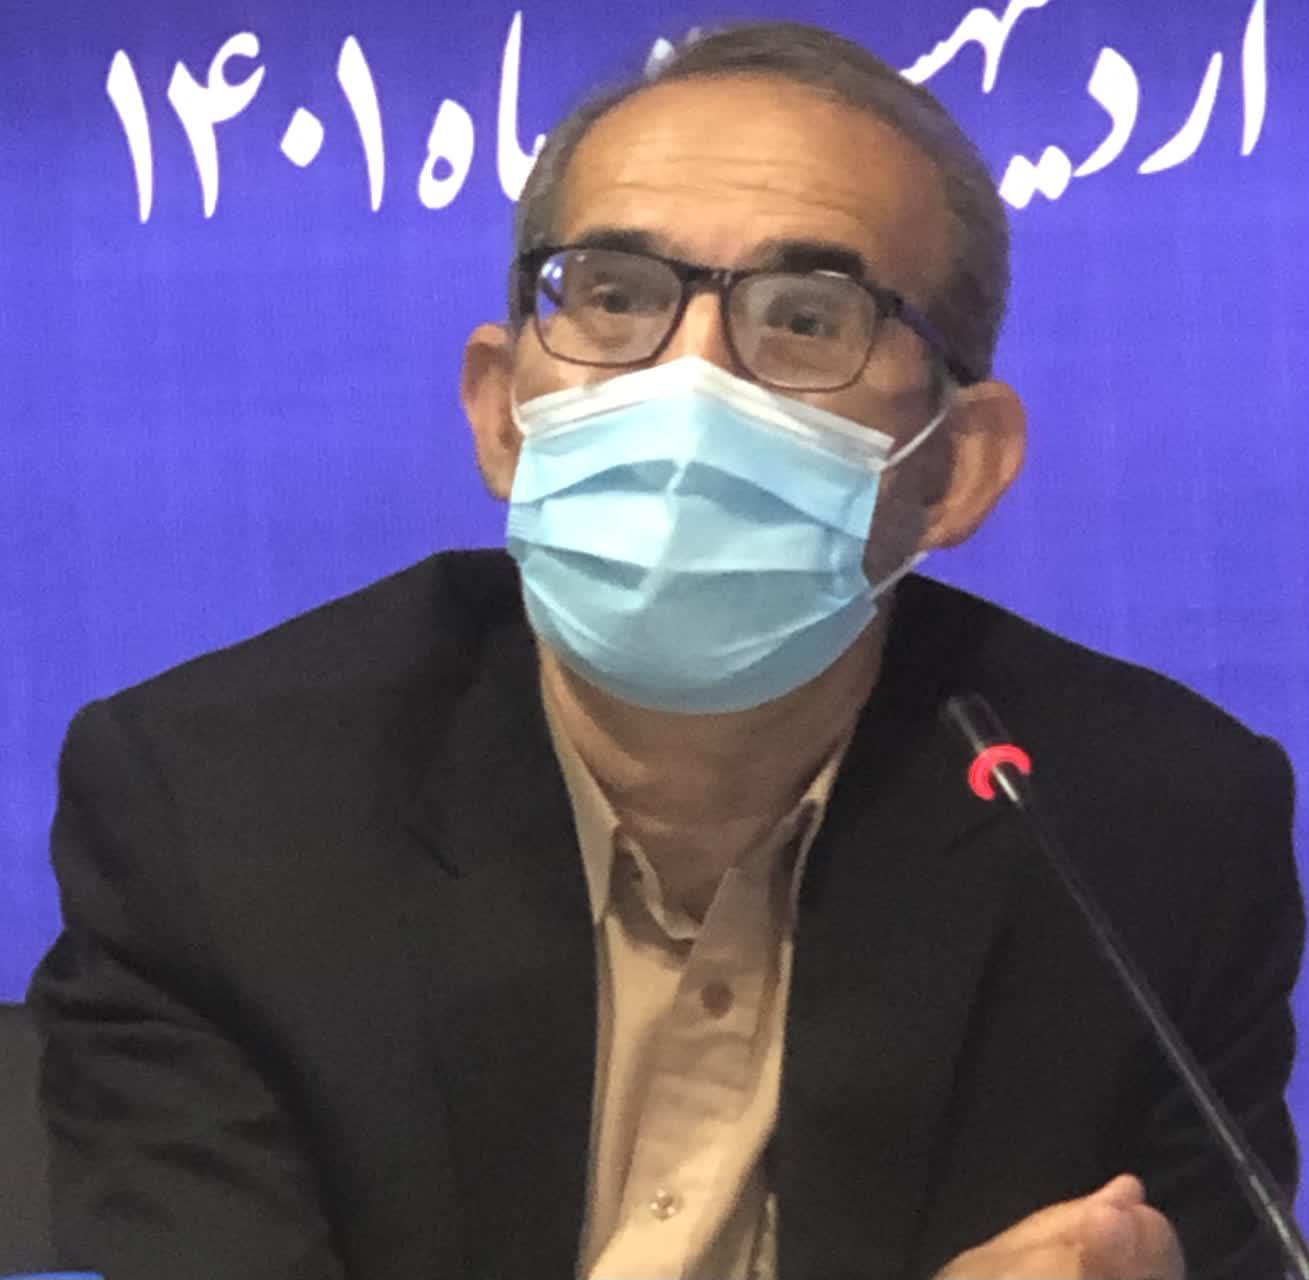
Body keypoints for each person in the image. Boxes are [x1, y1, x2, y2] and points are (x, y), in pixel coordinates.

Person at [28, 20, 1302, 1280]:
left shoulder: (1150, 836)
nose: (691, 383)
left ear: (956, 468)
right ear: (502, 413)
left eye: (807, 319)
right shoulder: (213, 814)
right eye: (616, 297)